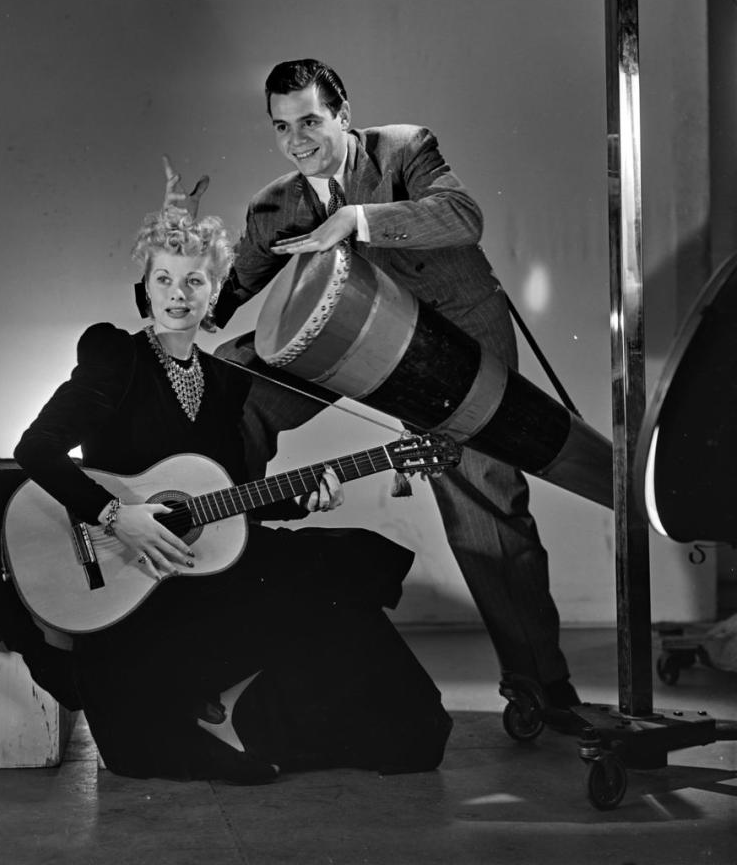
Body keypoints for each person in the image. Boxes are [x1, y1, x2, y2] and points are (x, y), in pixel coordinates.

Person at [13, 191, 452, 783]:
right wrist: (118, 515)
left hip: (195, 569)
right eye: (163, 279)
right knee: (320, 576)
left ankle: (316, 729)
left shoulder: (225, 381)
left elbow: (232, 498)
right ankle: (195, 719)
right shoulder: (115, 357)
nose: (177, 295)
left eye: (194, 282)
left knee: (344, 567)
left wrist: (303, 497)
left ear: (214, 292)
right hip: (130, 585)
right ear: (145, 287)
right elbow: (34, 449)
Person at [208, 58, 580, 715]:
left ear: (344, 114)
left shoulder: (405, 149)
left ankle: (540, 686)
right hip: (346, 343)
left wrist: (356, 221)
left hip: (453, 342)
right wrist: (187, 309)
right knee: (227, 395)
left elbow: (462, 216)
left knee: (484, 506)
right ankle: (210, 571)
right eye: (282, 126)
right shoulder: (276, 207)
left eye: (312, 121)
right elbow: (235, 284)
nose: (298, 140)